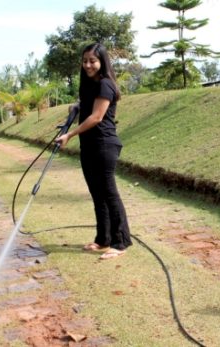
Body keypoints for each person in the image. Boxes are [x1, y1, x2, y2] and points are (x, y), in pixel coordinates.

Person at [56, 43, 132, 260]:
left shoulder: (106, 85)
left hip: (104, 144)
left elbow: (97, 117)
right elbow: (85, 105)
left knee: (109, 193)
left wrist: (69, 135)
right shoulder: (89, 85)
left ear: (102, 62)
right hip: (89, 145)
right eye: (85, 60)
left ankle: (120, 242)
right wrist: (77, 106)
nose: (88, 65)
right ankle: (103, 239)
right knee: (97, 194)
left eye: (93, 61)